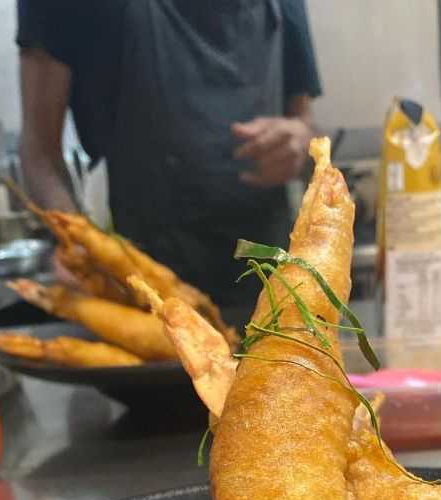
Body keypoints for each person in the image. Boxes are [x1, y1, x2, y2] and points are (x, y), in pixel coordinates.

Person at [16, 0, 322, 324]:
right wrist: (77, 243)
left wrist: (299, 141)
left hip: (272, 291)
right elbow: (40, 150)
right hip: (138, 299)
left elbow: (308, 134)